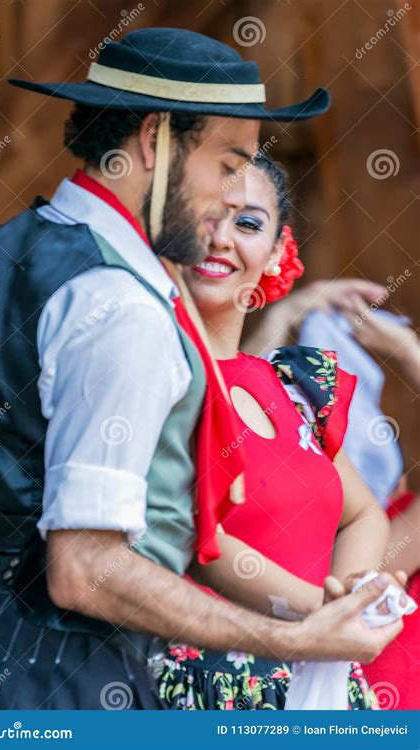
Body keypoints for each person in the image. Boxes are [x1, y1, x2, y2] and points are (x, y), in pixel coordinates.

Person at [0, 28, 403, 710]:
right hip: (68, 674)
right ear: (156, 142)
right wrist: (294, 641)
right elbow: (85, 571)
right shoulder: (124, 303)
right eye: (227, 164)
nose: (228, 203)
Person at [154, 154, 407, 710]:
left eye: (247, 223)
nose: (221, 239)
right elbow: (198, 541)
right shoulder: (155, 376)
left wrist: (352, 592)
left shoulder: (291, 387)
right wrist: (322, 613)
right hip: (203, 687)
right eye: (202, 216)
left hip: (320, 682)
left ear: (275, 253)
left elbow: (362, 513)